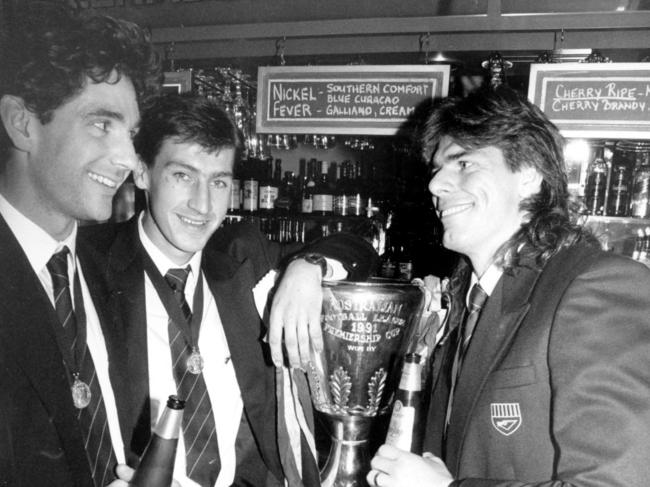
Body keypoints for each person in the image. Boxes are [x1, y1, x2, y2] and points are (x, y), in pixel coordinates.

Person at [82, 93, 377, 487]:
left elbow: (359, 248)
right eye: (183, 175)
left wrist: (310, 267)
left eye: (218, 181)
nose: (203, 205)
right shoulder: (86, 263)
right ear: (142, 173)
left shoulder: (243, 260)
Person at [367, 87, 650, 487]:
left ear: (529, 176)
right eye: (436, 170)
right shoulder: (467, 298)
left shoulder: (596, 284)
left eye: (463, 163)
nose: (435, 186)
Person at [0, 3, 160, 486]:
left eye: (130, 134)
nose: (128, 160)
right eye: (101, 124)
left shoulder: (112, 264)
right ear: (22, 123)